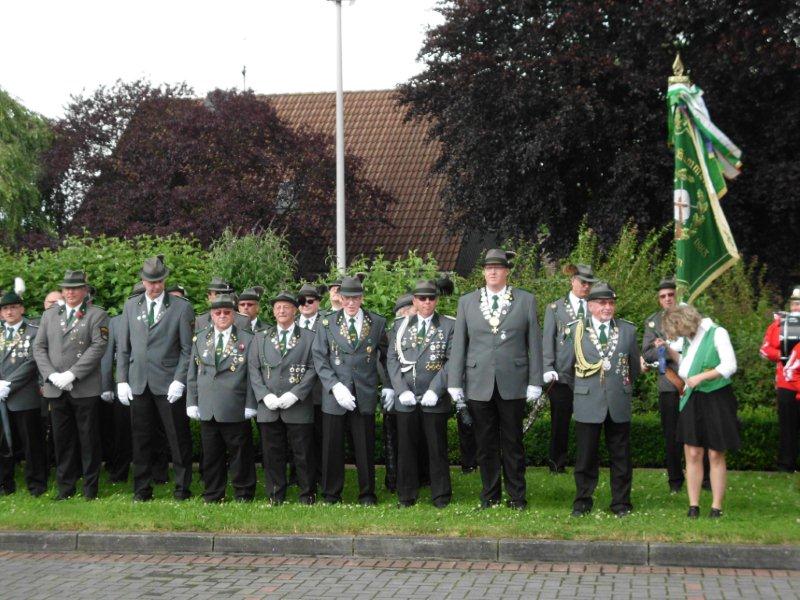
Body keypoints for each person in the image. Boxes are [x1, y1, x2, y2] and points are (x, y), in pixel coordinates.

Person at [448, 249, 544, 509]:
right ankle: (489, 495)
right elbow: (459, 345)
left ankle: (517, 496)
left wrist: (535, 381)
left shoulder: (525, 300)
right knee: (485, 443)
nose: (492, 272)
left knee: (513, 442)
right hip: (478, 382)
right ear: (483, 272)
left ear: (506, 272)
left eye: (498, 268)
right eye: (488, 268)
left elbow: (534, 343)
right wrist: (454, 382)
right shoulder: (467, 302)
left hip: (513, 381)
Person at [116, 256, 195, 501]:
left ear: (165, 280)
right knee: (140, 439)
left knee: (178, 437)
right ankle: (142, 490)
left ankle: (182, 489)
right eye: (151, 282)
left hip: (169, 382)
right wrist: (121, 380)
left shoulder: (181, 307)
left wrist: (179, 380)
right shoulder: (131, 306)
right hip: (139, 382)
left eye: (159, 281)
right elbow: (124, 348)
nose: (155, 286)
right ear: (143, 281)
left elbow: (187, 350)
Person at [565, 282, 640, 517]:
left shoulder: (628, 330)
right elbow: (567, 369)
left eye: (611, 303)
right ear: (590, 306)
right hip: (588, 401)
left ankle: (621, 503)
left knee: (621, 456)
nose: (607, 307)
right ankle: (582, 502)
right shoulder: (576, 330)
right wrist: (582, 391)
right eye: (602, 303)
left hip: (618, 401)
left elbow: (634, 368)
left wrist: (620, 388)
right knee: (586, 457)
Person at [32, 269, 109, 500]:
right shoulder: (50, 315)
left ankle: (90, 489)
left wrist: (72, 374)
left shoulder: (96, 314)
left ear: (84, 290)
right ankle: (65, 488)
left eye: (75, 288)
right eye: (66, 288)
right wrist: (51, 375)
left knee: (88, 440)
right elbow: (39, 347)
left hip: (84, 387)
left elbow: (98, 347)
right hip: (56, 388)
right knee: (62, 440)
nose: (70, 293)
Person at [312, 275, 388, 505]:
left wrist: (388, 386)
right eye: (347, 298)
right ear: (341, 298)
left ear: (362, 298)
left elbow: (385, 357)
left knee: (364, 447)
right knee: (332, 446)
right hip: (335, 394)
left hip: (364, 392)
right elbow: (319, 357)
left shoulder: (377, 322)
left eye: (356, 298)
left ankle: (367, 493)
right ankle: (331, 493)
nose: (351, 303)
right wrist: (335, 386)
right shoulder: (326, 323)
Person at [661, 304, 739, 518]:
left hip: (717, 398)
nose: (678, 335)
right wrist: (668, 354)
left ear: (685, 322)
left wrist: (701, 377)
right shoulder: (688, 339)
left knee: (715, 453)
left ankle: (716, 506)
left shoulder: (717, 333)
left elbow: (729, 365)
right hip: (692, 399)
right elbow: (687, 365)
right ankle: (693, 505)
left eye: (677, 329)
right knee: (693, 452)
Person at [387, 280, 454, 508]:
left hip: (434, 397)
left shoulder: (449, 325)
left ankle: (441, 496)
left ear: (437, 300)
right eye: (422, 298)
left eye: (431, 298)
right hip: (406, 396)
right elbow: (392, 359)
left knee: (437, 448)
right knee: (406, 448)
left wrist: (436, 390)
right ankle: (406, 496)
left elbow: (452, 361)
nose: (427, 302)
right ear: (414, 301)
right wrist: (400, 390)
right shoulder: (401, 325)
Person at [249, 291, 318, 504]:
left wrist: (296, 394)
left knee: (303, 453)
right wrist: (264, 396)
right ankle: (275, 494)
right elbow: (253, 369)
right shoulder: (260, 337)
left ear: (295, 310)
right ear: (273, 311)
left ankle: (307, 495)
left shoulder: (309, 337)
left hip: (297, 405)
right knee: (272, 454)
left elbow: (314, 368)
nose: (281, 311)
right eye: (278, 307)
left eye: (286, 307)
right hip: (269, 406)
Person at [187, 293, 257, 503]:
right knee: (211, 455)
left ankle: (243, 493)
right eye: (218, 312)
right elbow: (192, 373)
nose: (222, 316)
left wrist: (251, 404)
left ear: (233, 314)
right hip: (208, 406)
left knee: (240, 454)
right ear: (212, 315)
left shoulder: (247, 339)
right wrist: (192, 401)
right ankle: (213, 493)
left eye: (227, 312)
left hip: (235, 405)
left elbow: (252, 375)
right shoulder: (200, 338)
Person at [542, 264, 596, 474]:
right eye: (583, 282)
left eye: (589, 283)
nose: (586, 286)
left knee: (588, 421)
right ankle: (557, 464)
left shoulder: (595, 307)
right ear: (572, 281)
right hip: (561, 374)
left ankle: (586, 463)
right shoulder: (555, 308)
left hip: (588, 373)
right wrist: (548, 367)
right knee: (559, 422)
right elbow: (548, 340)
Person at [0, 291, 47, 496]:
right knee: (2, 443)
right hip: (0, 396)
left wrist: (8, 384)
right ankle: (4, 484)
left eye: (13, 307)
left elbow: (32, 361)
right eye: (5, 308)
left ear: (22, 309)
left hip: (24, 396)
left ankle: (36, 485)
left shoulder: (33, 331)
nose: (9, 312)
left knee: (31, 444)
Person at [760, 285, 800, 472]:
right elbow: (765, 349)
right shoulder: (778, 325)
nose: (796, 307)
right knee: (787, 427)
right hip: (787, 383)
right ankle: (786, 465)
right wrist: (783, 356)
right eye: (794, 303)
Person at [296, 283, 326, 484]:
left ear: (318, 303)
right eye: (301, 301)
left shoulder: (326, 323)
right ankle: (297, 476)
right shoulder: (290, 323)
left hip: (319, 389)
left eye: (310, 300)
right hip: (295, 389)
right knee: (298, 437)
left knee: (320, 436)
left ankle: (321, 475)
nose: (305, 304)